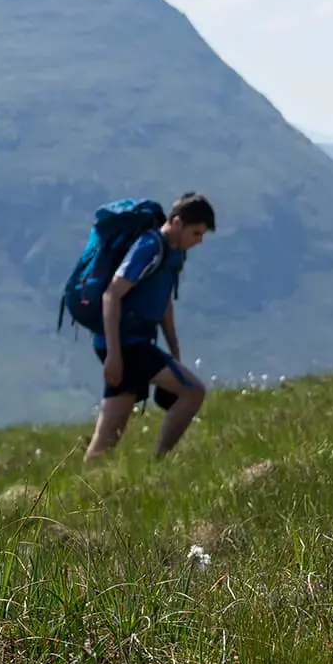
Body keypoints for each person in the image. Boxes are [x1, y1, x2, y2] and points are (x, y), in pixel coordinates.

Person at [86, 193, 215, 463]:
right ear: (177, 223)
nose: (199, 241)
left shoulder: (173, 254)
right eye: (196, 233)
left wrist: (174, 351)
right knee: (193, 391)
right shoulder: (149, 248)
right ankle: (159, 463)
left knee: (108, 436)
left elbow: (162, 301)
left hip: (134, 343)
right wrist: (114, 354)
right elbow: (112, 294)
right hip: (127, 345)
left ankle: (83, 488)